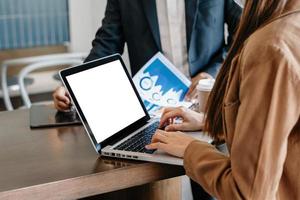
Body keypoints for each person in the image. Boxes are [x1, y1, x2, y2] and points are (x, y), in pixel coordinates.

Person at [146, 0, 300, 199]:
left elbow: (247, 193)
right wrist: (210, 123)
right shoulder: (290, 24)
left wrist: (190, 149)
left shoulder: (270, 48)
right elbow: (285, 127)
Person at [53, 0, 242, 111]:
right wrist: (74, 86)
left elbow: (244, 33)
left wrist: (214, 73)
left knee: (210, 177)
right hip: (153, 111)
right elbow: (107, 44)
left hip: (210, 101)